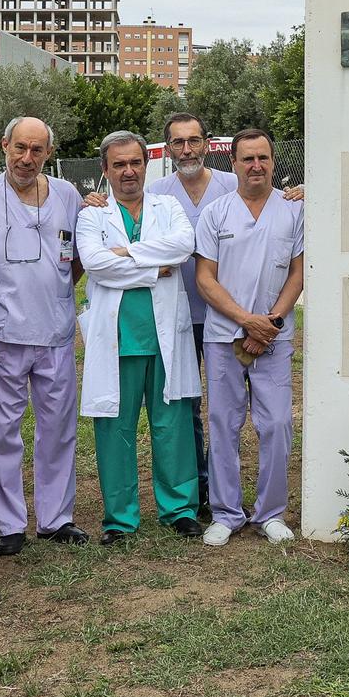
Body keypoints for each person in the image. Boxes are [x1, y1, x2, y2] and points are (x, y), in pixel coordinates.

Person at [0, 117, 88, 553]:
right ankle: (9, 523)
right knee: (1, 432)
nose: (26, 159)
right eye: (20, 148)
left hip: (54, 332)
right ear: (4, 145)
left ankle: (55, 518)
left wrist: (54, 296)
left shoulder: (68, 195)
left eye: (37, 150)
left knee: (59, 429)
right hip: (2, 336)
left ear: (48, 154)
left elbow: (79, 258)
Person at [76, 131, 205, 545]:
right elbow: (95, 265)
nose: (128, 171)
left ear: (146, 165)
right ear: (105, 170)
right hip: (117, 337)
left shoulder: (168, 205)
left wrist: (125, 255)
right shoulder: (92, 215)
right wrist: (154, 268)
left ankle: (180, 509)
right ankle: (120, 517)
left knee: (173, 425)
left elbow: (184, 245)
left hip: (166, 335)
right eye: (119, 164)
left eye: (135, 162)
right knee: (116, 427)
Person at [194, 129, 305, 545]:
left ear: (273, 162)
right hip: (225, 336)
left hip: (274, 338)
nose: (255, 166)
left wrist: (270, 324)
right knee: (223, 423)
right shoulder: (216, 213)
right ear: (233, 163)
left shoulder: (293, 211)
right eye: (247, 159)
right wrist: (246, 321)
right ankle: (225, 513)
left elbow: (298, 273)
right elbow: (205, 278)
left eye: (263, 158)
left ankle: (270, 512)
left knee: (276, 423)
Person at [145, 113, 237, 514]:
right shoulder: (157, 194)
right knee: (186, 403)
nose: (187, 150)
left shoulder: (233, 186)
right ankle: (197, 486)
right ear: (167, 149)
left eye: (194, 141)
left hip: (225, 314)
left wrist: (298, 192)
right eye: (178, 143)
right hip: (177, 316)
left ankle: (224, 486)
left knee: (225, 404)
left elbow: (274, 201)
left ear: (207, 144)